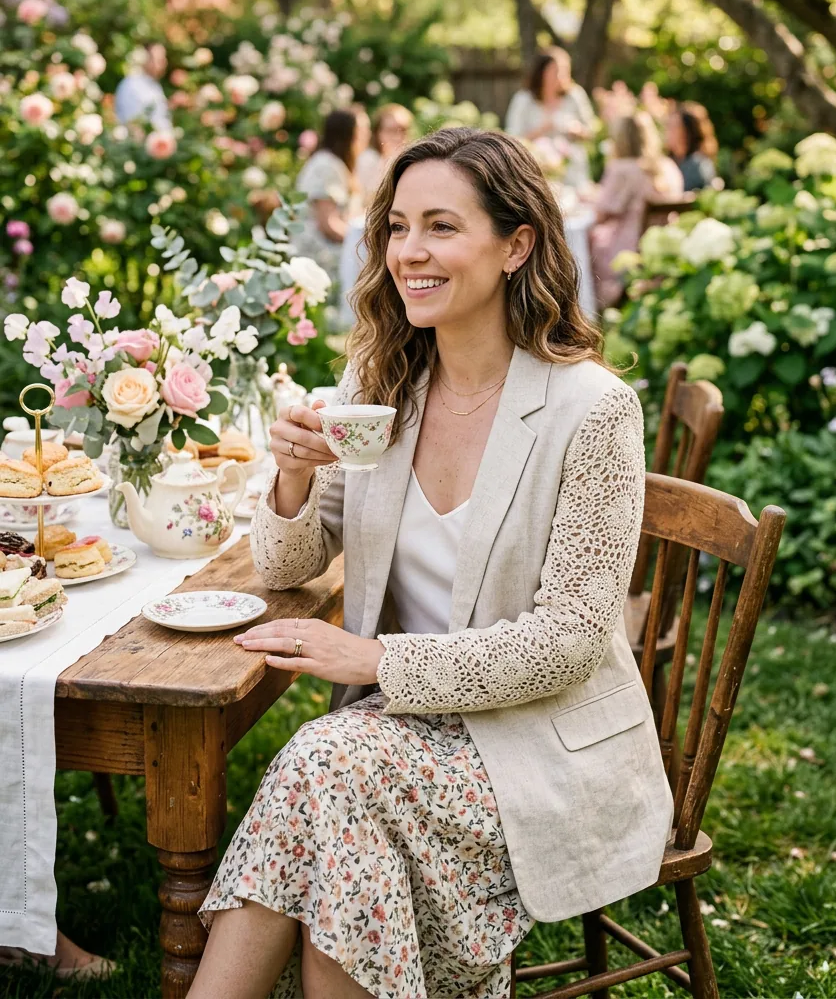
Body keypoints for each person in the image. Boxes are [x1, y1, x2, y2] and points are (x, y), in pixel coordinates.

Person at [189, 127, 673, 999]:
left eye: (442, 227)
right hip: (396, 734)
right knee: (333, 778)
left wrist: (375, 661)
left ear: (516, 244)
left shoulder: (592, 410)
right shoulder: (384, 390)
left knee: (324, 767)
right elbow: (286, 564)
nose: (410, 251)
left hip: (540, 746)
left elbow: (568, 640)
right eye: (398, 226)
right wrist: (293, 476)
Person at [590, 112, 687, 307]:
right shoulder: (668, 166)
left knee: (585, 241)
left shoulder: (623, 169)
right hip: (664, 249)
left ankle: (588, 310)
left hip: (628, 251)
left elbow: (601, 214)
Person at [289, 105, 371, 287]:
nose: (367, 136)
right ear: (347, 134)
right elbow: (328, 225)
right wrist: (367, 243)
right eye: (362, 131)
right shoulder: (326, 166)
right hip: (318, 264)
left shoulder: (339, 165)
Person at [504, 48, 596, 190]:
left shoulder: (575, 95)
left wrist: (577, 130)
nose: (561, 76)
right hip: (537, 169)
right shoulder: (523, 99)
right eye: (555, 71)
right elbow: (512, 138)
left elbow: (591, 130)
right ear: (541, 73)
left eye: (565, 70)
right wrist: (542, 130)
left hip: (573, 170)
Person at [355, 103, 413, 206]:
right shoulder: (368, 159)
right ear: (378, 133)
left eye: (403, 130)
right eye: (391, 130)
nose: (397, 136)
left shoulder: (411, 162)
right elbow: (366, 201)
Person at [113, 42, 171, 130]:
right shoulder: (131, 85)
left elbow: (158, 115)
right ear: (146, 59)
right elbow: (133, 123)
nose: (164, 63)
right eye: (159, 60)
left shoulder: (155, 86)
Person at [665, 101, 718, 191]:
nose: (667, 132)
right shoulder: (669, 162)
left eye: (673, 127)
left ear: (686, 132)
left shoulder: (699, 166)